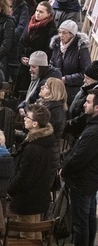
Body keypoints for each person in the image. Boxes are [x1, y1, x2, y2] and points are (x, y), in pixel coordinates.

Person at [8, 103, 57, 236]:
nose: (24, 118)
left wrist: (10, 189)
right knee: (35, 234)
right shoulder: (46, 141)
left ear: (35, 124)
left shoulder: (33, 147)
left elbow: (24, 176)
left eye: (27, 117)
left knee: (27, 235)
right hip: (39, 195)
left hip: (27, 199)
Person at [61, 88, 98, 246]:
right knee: (88, 218)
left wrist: (65, 169)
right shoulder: (91, 126)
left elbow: (79, 157)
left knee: (80, 222)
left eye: (88, 102)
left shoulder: (93, 131)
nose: (84, 104)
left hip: (83, 181)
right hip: (90, 180)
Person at [49, 19, 91, 104]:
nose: (61, 35)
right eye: (59, 32)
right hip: (56, 88)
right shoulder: (57, 44)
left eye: (64, 33)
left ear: (72, 35)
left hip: (72, 91)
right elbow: (52, 63)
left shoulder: (81, 48)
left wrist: (66, 79)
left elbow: (85, 73)